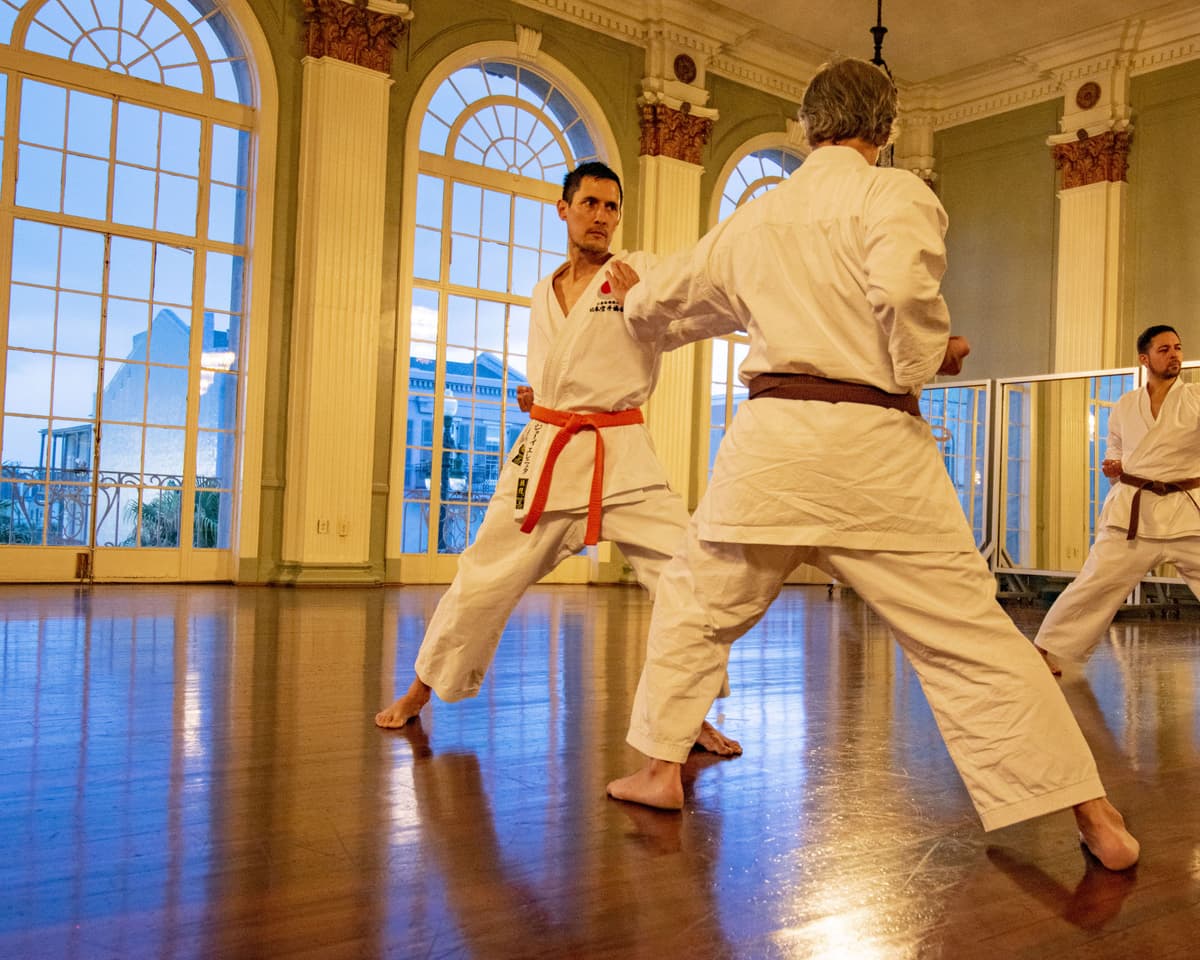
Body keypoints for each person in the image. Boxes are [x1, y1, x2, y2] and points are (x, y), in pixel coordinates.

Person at [603, 57, 1139, 871]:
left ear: (806, 126)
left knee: (695, 605)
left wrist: (631, 282)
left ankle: (658, 768)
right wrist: (930, 358)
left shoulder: (758, 216)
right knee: (972, 641)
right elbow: (900, 295)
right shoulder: (893, 193)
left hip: (772, 452)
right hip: (876, 455)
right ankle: (1094, 815)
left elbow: (665, 295)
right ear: (884, 130)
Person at [375, 162, 739, 756]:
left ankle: (688, 717)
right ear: (563, 208)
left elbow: (696, 307)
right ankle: (421, 690)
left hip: (621, 457)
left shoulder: (635, 272)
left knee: (688, 578)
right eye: (591, 203)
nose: (602, 217)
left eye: (612, 208)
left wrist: (643, 300)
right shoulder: (544, 290)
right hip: (545, 454)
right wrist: (540, 396)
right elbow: (565, 364)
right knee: (482, 576)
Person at [1036, 325, 1200, 674]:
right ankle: (1046, 649)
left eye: (1177, 348)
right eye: (1164, 349)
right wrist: (1114, 464)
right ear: (1145, 358)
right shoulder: (1126, 404)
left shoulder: (1196, 398)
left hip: (1185, 511)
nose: (1174, 355)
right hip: (1133, 515)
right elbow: (1115, 449)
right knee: (1095, 582)